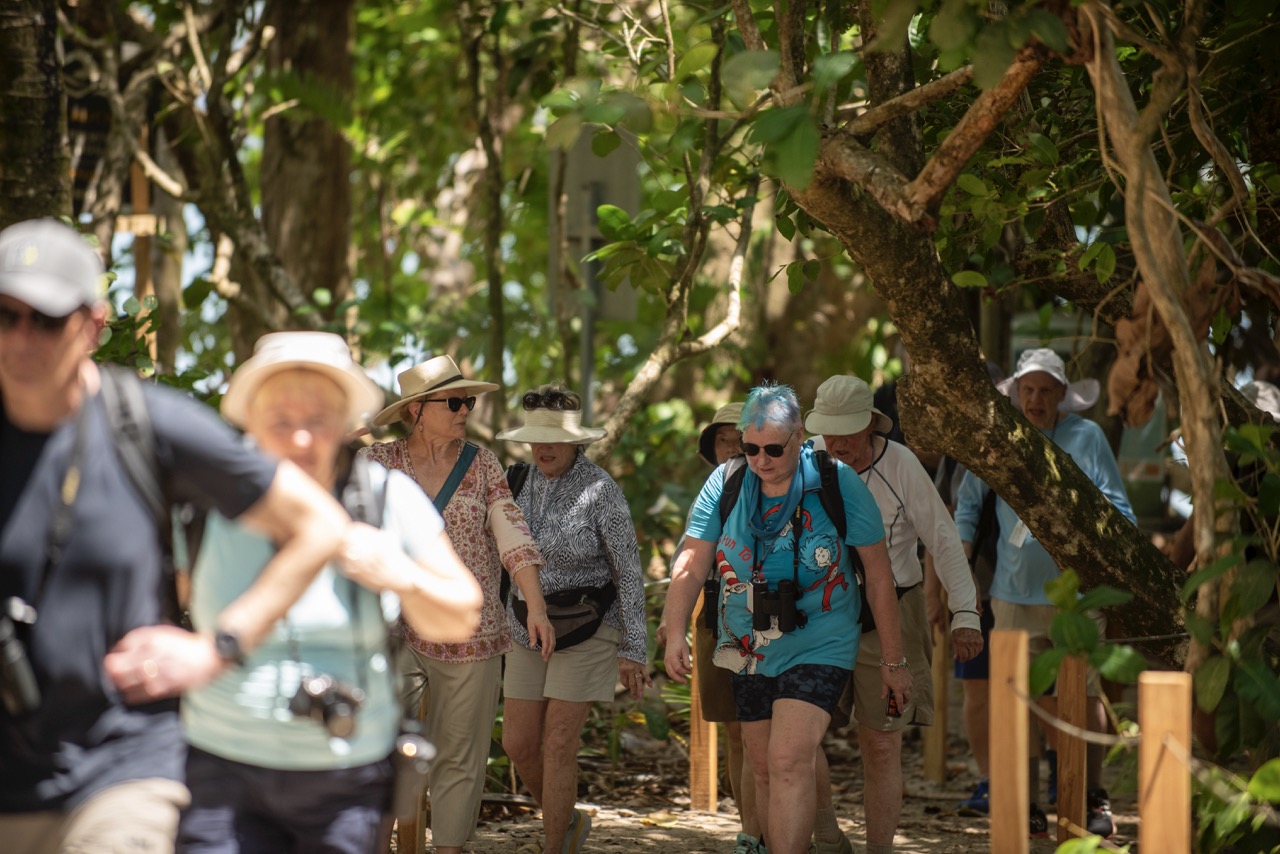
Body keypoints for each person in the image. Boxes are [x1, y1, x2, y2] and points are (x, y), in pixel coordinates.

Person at [0, 219, 353, 853]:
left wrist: (215, 647)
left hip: (119, 772)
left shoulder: (145, 423)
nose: (22, 339)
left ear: (91, 324)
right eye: (5, 315)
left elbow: (319, 525)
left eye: (46, 320)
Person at [173, 332, 483, 851]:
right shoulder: (201, 505)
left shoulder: (386, 500)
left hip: (348, 775)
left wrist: (399, 575)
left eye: (318, 420)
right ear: (248, 421)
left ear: (345, 424)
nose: (300, 439)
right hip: (219, 770)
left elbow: (459, 617)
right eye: (281, 421)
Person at [663, 382, 912, 854]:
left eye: (774, 448)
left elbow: (879, 576)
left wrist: (893, 663)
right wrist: (675, 630)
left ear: (799, 437)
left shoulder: (838, 483)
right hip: (746, 641)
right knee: (762, 768)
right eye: (751, 448)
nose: (762, 459)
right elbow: (692, 561)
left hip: (820, 636)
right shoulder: (727, 482)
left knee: (788, 758)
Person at [360, 355, 554, 854]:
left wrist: (536, 606)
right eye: (454, 400)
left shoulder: (482, 463)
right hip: (390, 631)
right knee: (380, 749)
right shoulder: (376, 464)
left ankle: (448, 848)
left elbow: (513, 533)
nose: (465, 408)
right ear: (416, 411)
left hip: (473, 631)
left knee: (460, 756)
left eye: (468, 400)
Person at [953, 348, 1136, 839]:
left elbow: (1120, 506)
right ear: (1015, 392)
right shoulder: (1001, 438)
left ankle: (1091, 794)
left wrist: (1108, 559)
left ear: (1061, 395)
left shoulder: (1087, 437)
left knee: (1086, 693)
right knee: (1020, 699)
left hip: (1076, 597)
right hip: (1012, 593)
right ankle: (1026, 801)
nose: (1035, 399)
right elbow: (968, 506)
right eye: (1027, 390)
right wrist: (959, 567)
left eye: (1045, 391)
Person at [807, 375, 982, 854]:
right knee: (798, 732)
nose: (838, 442)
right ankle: (826, 834)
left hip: (890, 611)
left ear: (870, 424)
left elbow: (942, 539)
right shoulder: (804, 458)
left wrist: (965, 611)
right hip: (818, 609)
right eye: (830, 431)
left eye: (848, 430)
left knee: (881, 743)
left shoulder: (900, 464)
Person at [496, 385, 649, 854]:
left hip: (589, 625)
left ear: (576, 441)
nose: (544, 448)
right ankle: (565, 821)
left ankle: (554, 846)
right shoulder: (514, 480)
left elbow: (628, 569)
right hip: (526, 626)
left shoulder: (601, 489)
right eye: (535, 439)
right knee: (518, 744)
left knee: (559, 742)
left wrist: (633, 649)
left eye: (554, 440)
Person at [657, 403, 761, 854]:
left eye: (740, 438)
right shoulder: (713, 489)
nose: (734, 448)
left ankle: (787, 831)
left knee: (772, 732)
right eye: (723, 440)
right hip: (719, 613)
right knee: (738, 731)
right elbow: (690, 558)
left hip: (774, 619)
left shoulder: (788, 484)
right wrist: (672, 624)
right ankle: (751, 833)